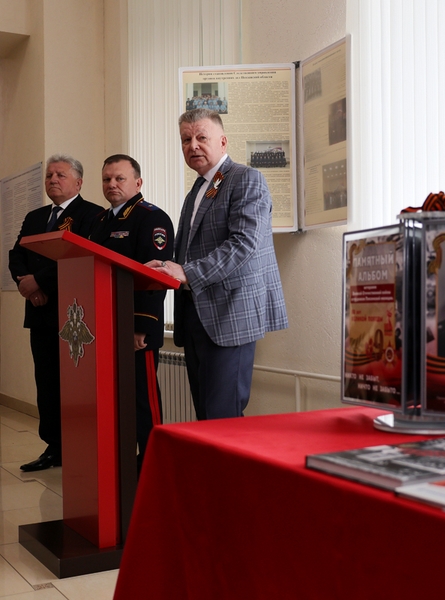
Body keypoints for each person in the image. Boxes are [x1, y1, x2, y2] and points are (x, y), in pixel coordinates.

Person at [148, 108, 288, 420]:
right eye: (186, 139)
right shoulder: (197, 189)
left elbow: (244, 245)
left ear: (222, 141)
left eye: (201, 137)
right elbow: (189, 250)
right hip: (195, 314)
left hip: (230, 315)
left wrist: (186, 271)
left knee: (222, 416)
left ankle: (229, 472)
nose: (193, 145)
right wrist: (167, 264)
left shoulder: (246, 179)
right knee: (206, 416)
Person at [8, 155, 104, 471]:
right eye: (49, 175)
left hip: (74, 314)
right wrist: (27, 285)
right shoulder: (35, 216)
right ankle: (53, 447)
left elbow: (80, 255)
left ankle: (81, 445)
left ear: (78, 182)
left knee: (76, 384)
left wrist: (40, 281)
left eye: (60, 174)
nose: (52, 179)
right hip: (39, 311)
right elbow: (17, 253)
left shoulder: (93, 216)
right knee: (46, 381)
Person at [89, 154, 174, 466]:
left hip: (135, 329)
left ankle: (154, 466)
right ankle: (124, 467)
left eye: (119, 178)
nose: (112, 184)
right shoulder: (99, 222)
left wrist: (142, 326)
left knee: (142, 403)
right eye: (107, 179)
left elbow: (156, 278)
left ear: (137, 183)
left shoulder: (151, 218)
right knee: (116, 402)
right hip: (104, 326)